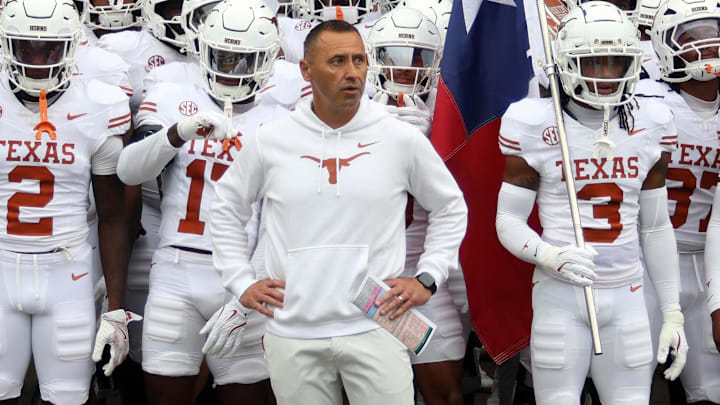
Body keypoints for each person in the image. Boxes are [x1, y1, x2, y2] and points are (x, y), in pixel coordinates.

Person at [210, 19, 467, 405]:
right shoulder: (272, 140)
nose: (352, 73)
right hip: (293, 331)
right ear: (306, 70)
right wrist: (240, 280)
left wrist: (428, 276)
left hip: (377, 327)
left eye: (359, 61)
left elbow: (450, 206)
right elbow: (226, 208)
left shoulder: (399, 138)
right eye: (337, 62)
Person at [495, 2, 687, 404]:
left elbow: (654, 226)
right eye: (592, 61)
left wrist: (672, 310)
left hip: (629, 294)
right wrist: (549, 255)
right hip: (560, 293)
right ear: (565, 62)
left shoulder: (652, 121)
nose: (604, 74)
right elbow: (508, 220)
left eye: (615, 62)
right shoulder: (534, 122)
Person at [116, 1, 282, 404]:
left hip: (242, 272)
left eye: (244, 59)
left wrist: (249, 289)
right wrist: (175, 133)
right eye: (223, 56)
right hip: (176, 268)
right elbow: (128, 171)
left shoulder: (283, 120)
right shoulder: (174, 94)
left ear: (267, 59)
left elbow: (282, 224)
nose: (232, 68)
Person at [0, 0, 134, 403]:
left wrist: (116, 308)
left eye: (49, 50)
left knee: (70, 396)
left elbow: (112, 217)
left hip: (67, 271)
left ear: (71, 48)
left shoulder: (98, 104)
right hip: (1, 262)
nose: (37, 61)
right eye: (25, 48)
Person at [366, 6, 469, 405]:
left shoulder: (448, 116)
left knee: (445, 395)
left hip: (423, 276)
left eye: (419, 57)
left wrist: (436, 142)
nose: (406, 69)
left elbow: (463, 196)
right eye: (394, 55)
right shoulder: (351, 114)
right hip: (363, 277)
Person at [638, 1, 720, 403]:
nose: (710, 46)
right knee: (629, 378)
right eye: (695, 38)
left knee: (709, 391)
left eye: (715, 34)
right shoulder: (645, 103)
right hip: (645, 259)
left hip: (709, 262)